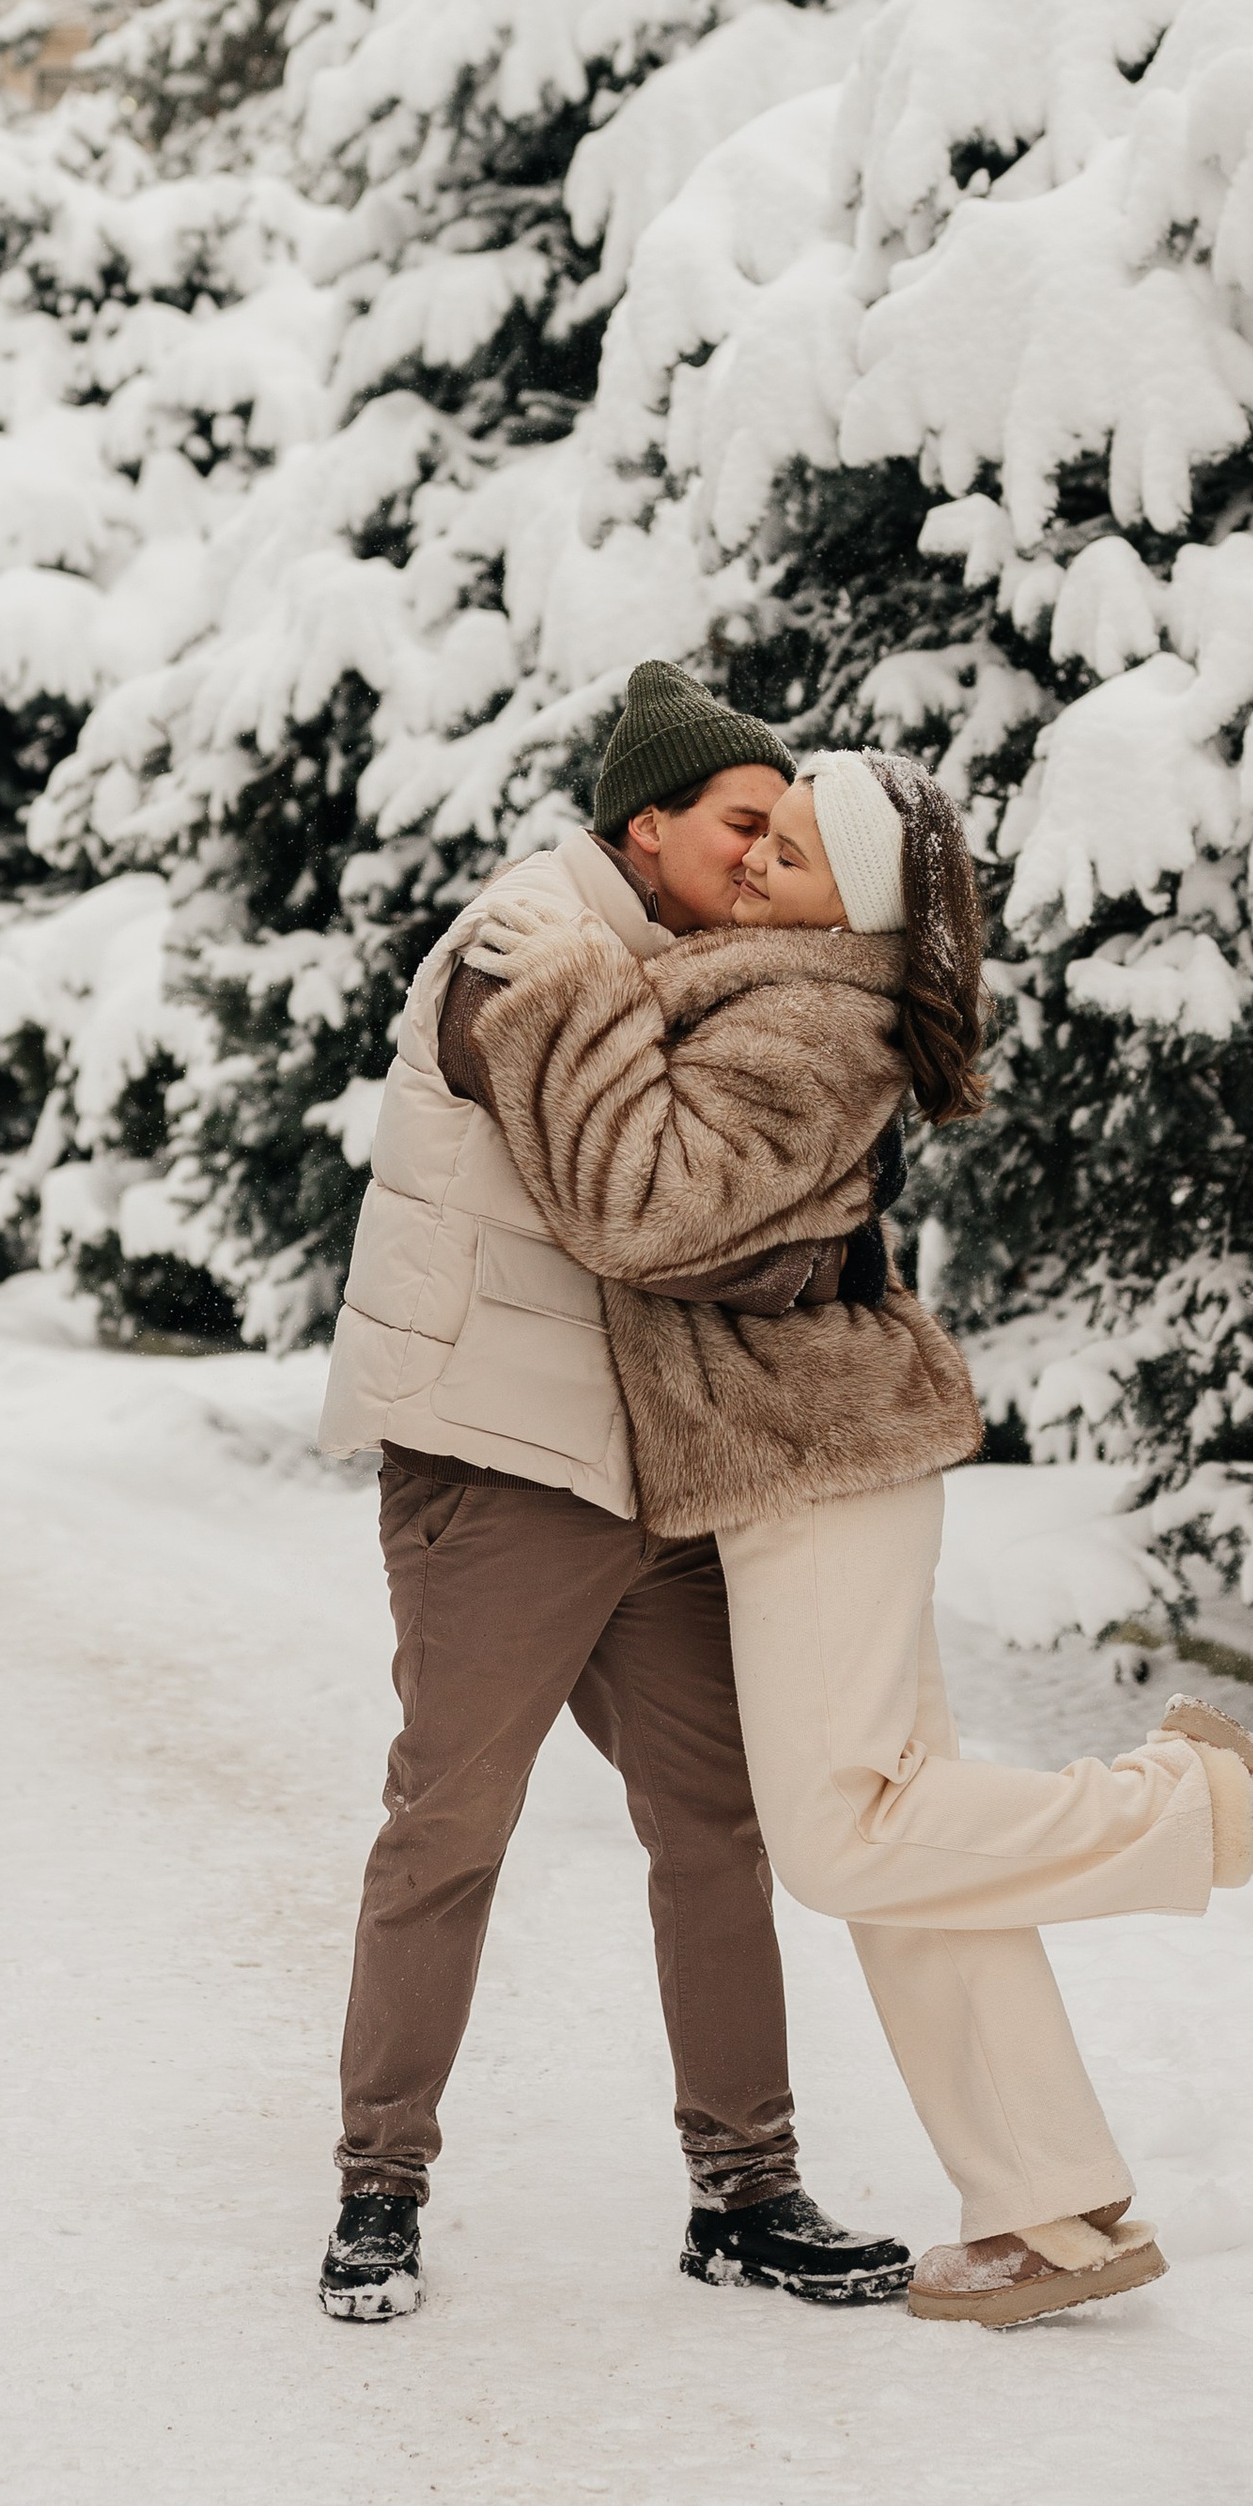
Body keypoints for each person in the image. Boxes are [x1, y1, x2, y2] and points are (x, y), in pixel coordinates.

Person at [468, 746, 1253, 2330]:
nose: (756, 865)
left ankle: (1213, 1805)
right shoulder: (767, 983)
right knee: (911, 1861)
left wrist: (570, 997)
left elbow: (647, 1210)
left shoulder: (813, 1020)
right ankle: (1048, 2206)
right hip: (796, 1456)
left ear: (854, 917)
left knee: (842, 1841)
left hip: (818, 1455)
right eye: (771, 836)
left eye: (798, 861)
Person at [312, 661, 916, 2323]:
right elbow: (633, 1204)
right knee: (450, 1824)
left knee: (715, 1825)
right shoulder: (521, 949)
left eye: (781, 832)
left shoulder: (665, 957)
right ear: (642, 826)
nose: (759, 855)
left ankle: (747, 2192)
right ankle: (379, 2187)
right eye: (740, 825)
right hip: (503, 1472)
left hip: (647, 1477)